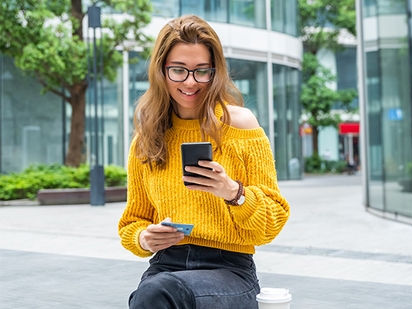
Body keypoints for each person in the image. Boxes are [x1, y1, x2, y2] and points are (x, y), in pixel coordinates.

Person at [118, 14, 291, 309]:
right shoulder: (147, 137)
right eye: (178, 70)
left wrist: (234, 193)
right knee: (152, 294)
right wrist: (145, 239)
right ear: (161, 71)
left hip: (229, 269)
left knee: (155, 295)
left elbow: (271, 224)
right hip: (165, 265)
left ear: (215, 72)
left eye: (202, 71)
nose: (190, 82)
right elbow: (132, 222)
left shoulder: (241, 125)